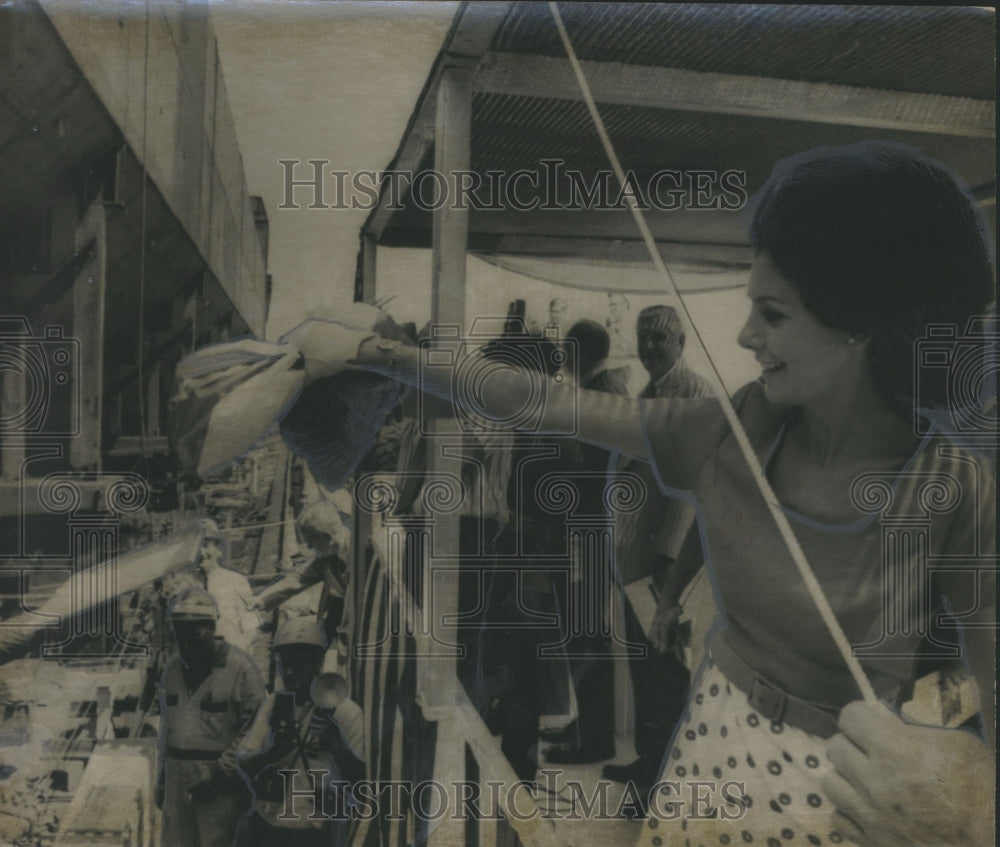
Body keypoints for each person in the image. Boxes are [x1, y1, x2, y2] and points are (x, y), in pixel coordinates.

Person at [287, 142, 995, 846]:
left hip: (842, 797)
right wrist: (386, 356)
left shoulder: (955, 485)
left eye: (773, 315)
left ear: (860, 325)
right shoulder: (729, 431)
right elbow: (541, 401)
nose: (747, 335)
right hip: (710, 751)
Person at [603, 305, 714, 796]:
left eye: (659, 338)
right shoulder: (648, 392)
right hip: (633, 559)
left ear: (681, 342)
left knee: (663, 672)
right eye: (643, 336)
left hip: (660, 563)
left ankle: (661, 780)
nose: (649, 346)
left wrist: (668, 563)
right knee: (647, 669)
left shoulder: (692, 394)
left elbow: (689, 489)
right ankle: (650, 763)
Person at [236, 617, 364, 847]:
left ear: (318, 663)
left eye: (300, 664)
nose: (291, 673)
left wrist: (339, 749)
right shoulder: (274, 704)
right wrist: (271, 754)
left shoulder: (345, 710)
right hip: (270, 829)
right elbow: (245, 762)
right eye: (285, 665)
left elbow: (364, 782)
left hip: (317, 834)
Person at [156, 587, 266, 847]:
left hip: (219, 784)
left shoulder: (241, 669)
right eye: (180, 632)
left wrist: (220, 771)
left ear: (211, 627)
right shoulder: (171, 668)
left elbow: (257, 730)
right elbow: (166, 728)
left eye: (195, 630)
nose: (187, 639)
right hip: (176, 778)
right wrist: (161, 779)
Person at [250, 500, 352, 662]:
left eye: (311, 544)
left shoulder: (362, 549)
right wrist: (261, 599)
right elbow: (298, 578)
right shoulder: (327, 557)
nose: (311, 549)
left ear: (327, 537)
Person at [197, 519, 261, 653]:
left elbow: (251, 629)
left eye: (206, 545)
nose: (201, 553)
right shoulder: (183, 585)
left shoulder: (236, 581)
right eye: (196, 547)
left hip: (230, 657)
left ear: (219, 550)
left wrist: (237, 651)